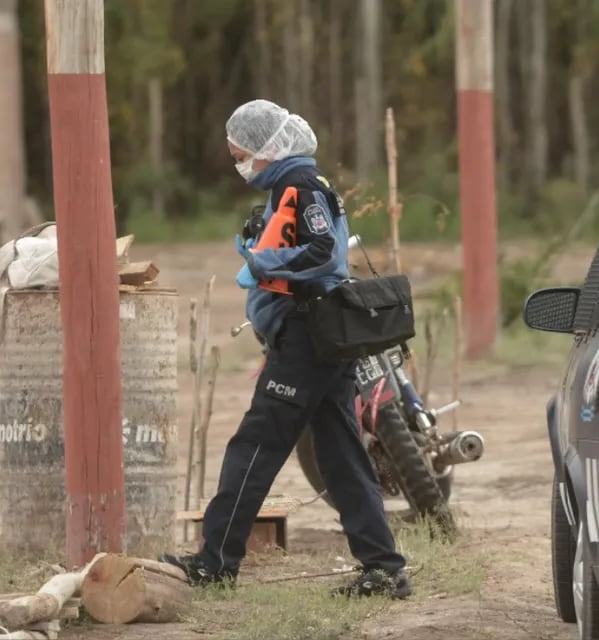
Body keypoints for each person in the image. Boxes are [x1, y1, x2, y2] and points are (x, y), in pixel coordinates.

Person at [160, 99, 411, 599]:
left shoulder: (301, 186)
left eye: (241, 154)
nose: (239, 165)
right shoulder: (289, 187)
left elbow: (321, 250)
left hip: (306, 337)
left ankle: (215, 562)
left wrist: (263, 263)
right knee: (341, 453)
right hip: (315, 334)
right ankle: (383, 568)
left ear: (268, 148)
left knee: (256, 444)